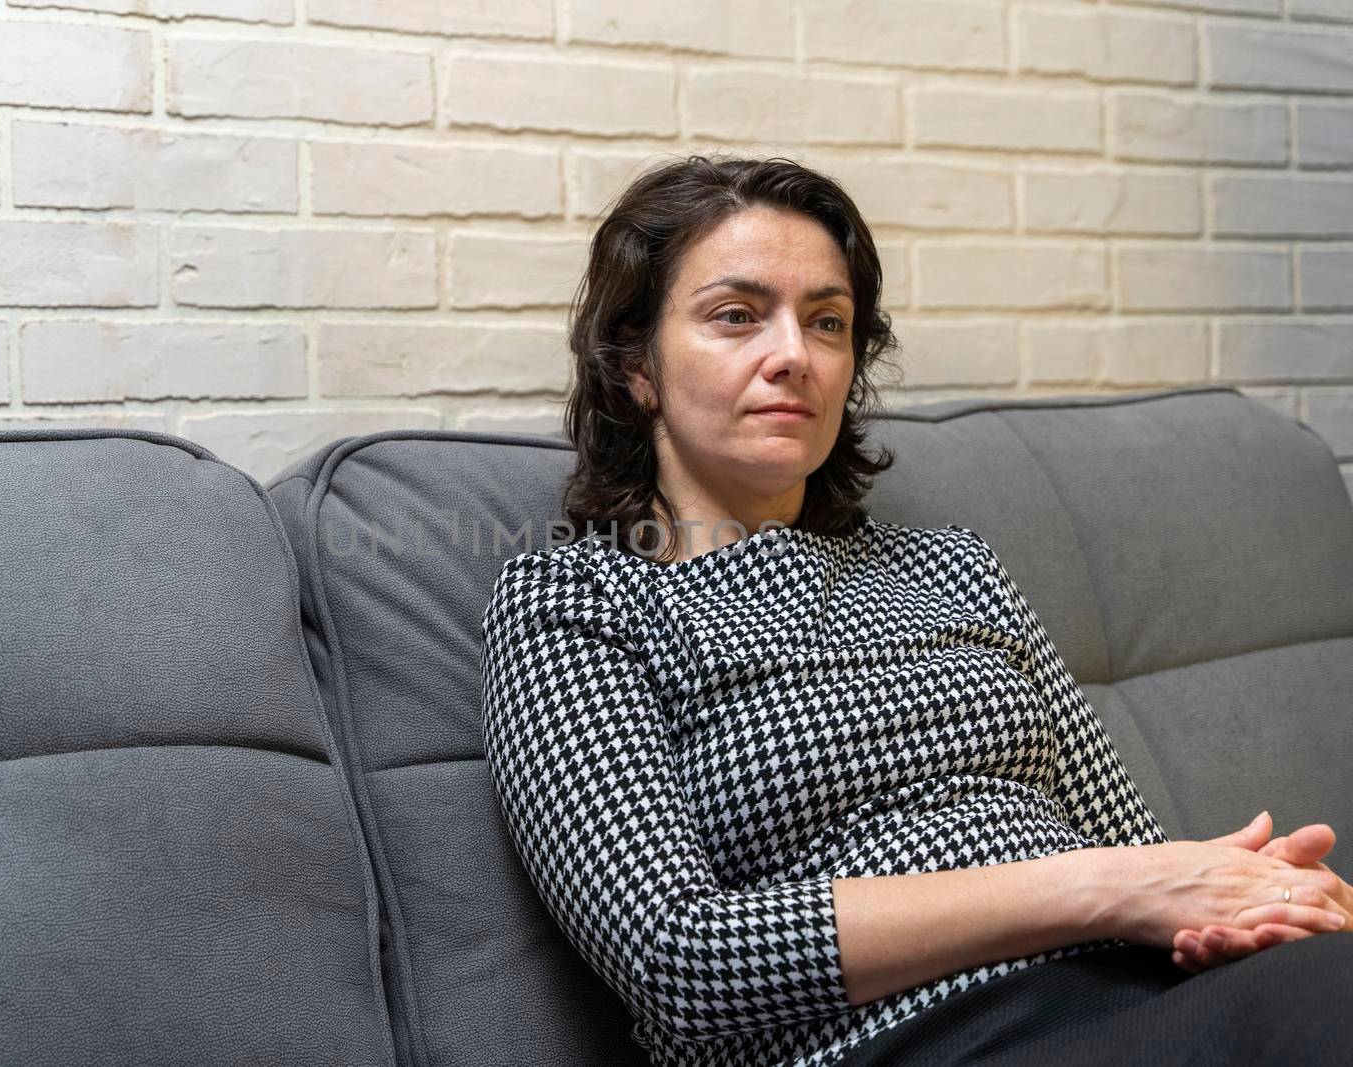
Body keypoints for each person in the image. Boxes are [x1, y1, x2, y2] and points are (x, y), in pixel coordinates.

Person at [476, 153, 1353, 1066]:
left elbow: (1132, 851)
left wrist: (1266, 897)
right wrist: (1109, 888)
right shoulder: (574, 601)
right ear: (637, 365)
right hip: (903, 1041)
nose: (793, 355)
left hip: (1136, 995)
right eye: (736, 316)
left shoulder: (953, 565)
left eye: (827, 322)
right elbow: (676, 958)